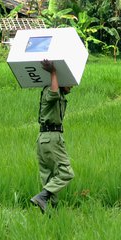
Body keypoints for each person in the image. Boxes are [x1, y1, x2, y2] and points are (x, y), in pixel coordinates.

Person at [30, 59, 75, 214]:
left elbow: (57, 94)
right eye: (70, 82)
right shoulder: (51, 89)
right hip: (51, 138)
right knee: (66, 173)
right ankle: (41, 197)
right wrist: (54, 72)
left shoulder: (59, 94)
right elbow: (54, 93)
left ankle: (51, 213)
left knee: (49, 178)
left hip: (43, 139)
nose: (72, 86)